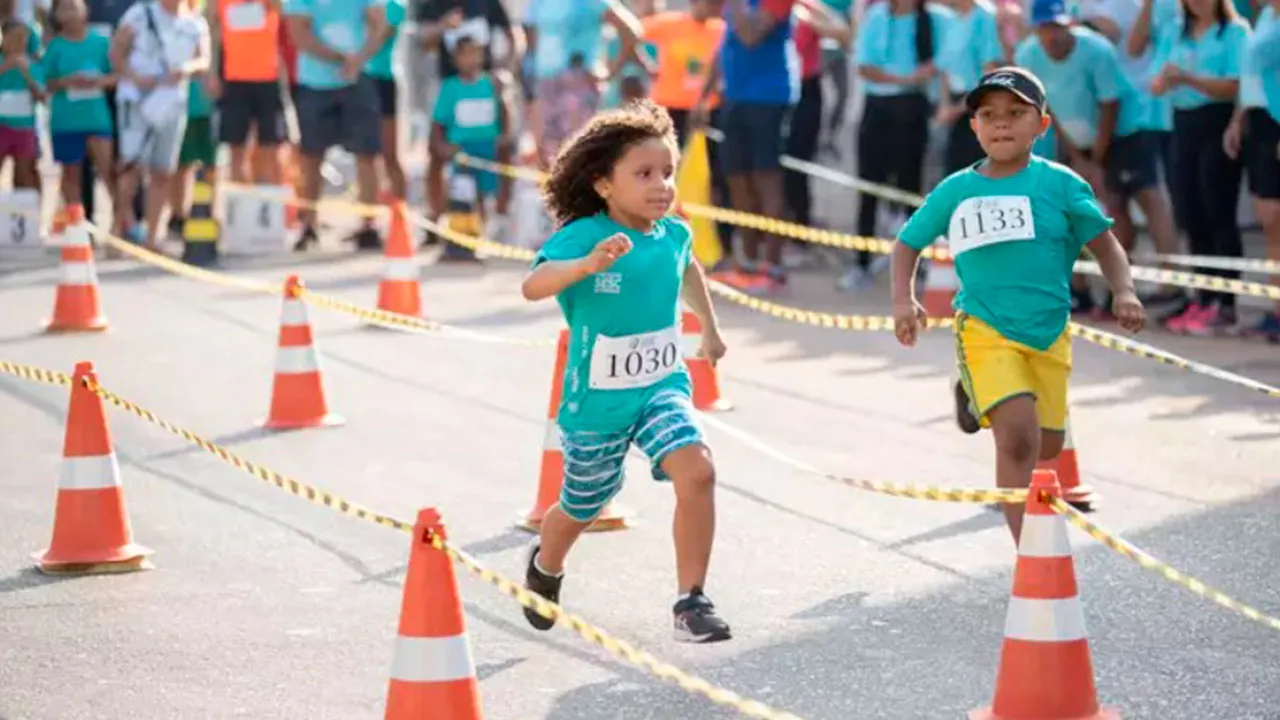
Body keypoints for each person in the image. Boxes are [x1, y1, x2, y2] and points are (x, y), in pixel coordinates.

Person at [890, 67, 1145, 543]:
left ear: (1043, 124)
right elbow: (907, 243)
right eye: (989, 115)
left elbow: (1106, 245)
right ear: (974, 127)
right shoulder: (956, 190)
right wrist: (903, 301)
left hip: (1048, 331)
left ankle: (973, 394)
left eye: (1016, 113)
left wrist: (1124, 290)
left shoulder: (1062, 185)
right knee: (1017, 438)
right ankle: (1028, 551)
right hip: (984, 327)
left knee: (1045, 445)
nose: (1002, 124)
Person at [519, 100, 731, 644]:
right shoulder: (586, 235)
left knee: (699, 470)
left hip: (662, 386)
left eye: (667, 173)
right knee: (583, 503)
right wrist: (586, 266)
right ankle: (546, 563)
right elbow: (533, 285)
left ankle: (692, 600)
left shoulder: (673, 233)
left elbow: (689, 272)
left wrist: (709, 329)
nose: (661, 185)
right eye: (643, 174)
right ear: (604, 184)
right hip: (599, 401)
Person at [1014, 0, 1179, 321]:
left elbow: (1110, 104)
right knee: (1076, 210)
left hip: (1125, 131)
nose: (1053, 36)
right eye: (1046, 28)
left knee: (1136, 203)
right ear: (1036, 29)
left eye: (1059, 27)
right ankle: (1083, 291)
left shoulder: (1096, 50)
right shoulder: (1028, 56)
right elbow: (1046, 106)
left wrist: (1097, 160)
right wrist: (1077, 154)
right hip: (1078, 139)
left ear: (1071, 24)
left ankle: (1166, 287)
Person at [1151, 0, 1250, 335]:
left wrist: (1189, 79)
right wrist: (1165, 81)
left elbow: (1236, 86)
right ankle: (1203, 297)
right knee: (1189, 213)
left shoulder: (1234, 32)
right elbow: (1156, 79)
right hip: (1183, 123)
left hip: (1218, 122)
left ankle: (1226, 304)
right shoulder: (1174, 31)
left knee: (1217, 211)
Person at [848, 0, 953, 292]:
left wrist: (917, 80)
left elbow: (941, 63)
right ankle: (861, 263)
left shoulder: (936, 19)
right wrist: (904, 78)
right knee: (868, 187)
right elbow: (865, 66)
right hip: (878, 107)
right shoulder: (877, 16)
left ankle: (913, 268)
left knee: (910, 189)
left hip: (913, 107)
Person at [703, 0, 800, 294]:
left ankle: (772, 265)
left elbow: (749, 36)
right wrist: (704, 95)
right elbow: (726, 45)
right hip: (734, 98)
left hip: (768, 98)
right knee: (737, 179)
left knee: (766, 179)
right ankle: (749, 262)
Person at [283, 0, 387, 251]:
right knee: (311, 156)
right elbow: (299, 34)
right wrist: (340, 59)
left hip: (357, 79)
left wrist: (358, 60)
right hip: (315, 83)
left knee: (367, 154)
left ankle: (368, 224)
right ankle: (308, 224)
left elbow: (379, 24)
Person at [416, 0, 522, 247]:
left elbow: (514, 36)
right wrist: (442, 26)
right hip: (451, 92)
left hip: (487, 93)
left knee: (494, 171)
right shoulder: (431, 5)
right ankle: (437, 219)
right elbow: (424, 41)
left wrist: (507, 70)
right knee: (447, 169)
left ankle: (495, 222)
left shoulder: (488, 4)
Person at [109, 0, 211, 252]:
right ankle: (117, 233)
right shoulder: (139, 14)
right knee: (131, 168)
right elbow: (116, 53)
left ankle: (152, 238)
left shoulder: (194, 22)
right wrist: (135, 77)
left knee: (163, 171)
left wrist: (185, 69)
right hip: (137, 100)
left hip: (172, 102)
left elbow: (203, 60)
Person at [1226, 0, 1280, 340]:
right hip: (1260, 123)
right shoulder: (1265, 17)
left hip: (1276, 124)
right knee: (1270, 222)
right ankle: (1276, 307)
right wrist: (1238, 119)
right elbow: (1254, 76)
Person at [429, 34, 510, 261]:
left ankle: (477, 238)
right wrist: (441, 146)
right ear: (456, 58)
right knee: (460, 194)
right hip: (461, 149)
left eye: (476, 53)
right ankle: (457, 238)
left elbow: (503, 111)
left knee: (484, 195)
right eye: (465, 54)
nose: (471, 59)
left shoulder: (490, 84)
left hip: (486, 148)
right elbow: (438, 121)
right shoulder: (450, 87)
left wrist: (504, 136)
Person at [43, 0, 116, 217]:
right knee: (71, 175)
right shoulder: (55, 47)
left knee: (108, 170)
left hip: (97, 118)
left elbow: (116, 75)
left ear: (85, 10)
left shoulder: (101, 42)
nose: (70, 13)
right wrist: (66, 81)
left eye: (74, 7)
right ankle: (77, 226)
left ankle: (121, 224)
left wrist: (98, 82)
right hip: (66, 120)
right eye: (63, 8)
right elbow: (45, 82)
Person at [208, 0, 288, 187]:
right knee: (236, 149)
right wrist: (212, 73)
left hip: (268, 78)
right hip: (234, 79)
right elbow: (213, 31)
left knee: (271, 148)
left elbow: (284, 12)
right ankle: (242, 207)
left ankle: (270, 208)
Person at [934, 0, 1005, 174]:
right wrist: (945, 105)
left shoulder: (985, 17)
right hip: (953, 107)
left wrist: (957, 109)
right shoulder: (951, 18)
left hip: (978, 106)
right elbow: (945, 69)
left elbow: (990, 73)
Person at [365, 0, 405, 201]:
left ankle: (400, 216)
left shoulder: (395, 6)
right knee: (366, 155)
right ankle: (368, 220)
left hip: (382, 81)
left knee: (389, 155)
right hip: (358, 80)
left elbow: (378, 36)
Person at [0, 19, 44, 193]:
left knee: (25, 174)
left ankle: (25, 214)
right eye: (15, 37)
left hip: (24, 127)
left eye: (23, 37)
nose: (19, 42)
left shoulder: (33, 65)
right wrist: (6, 66)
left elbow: (41, 96)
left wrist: (27, 74)